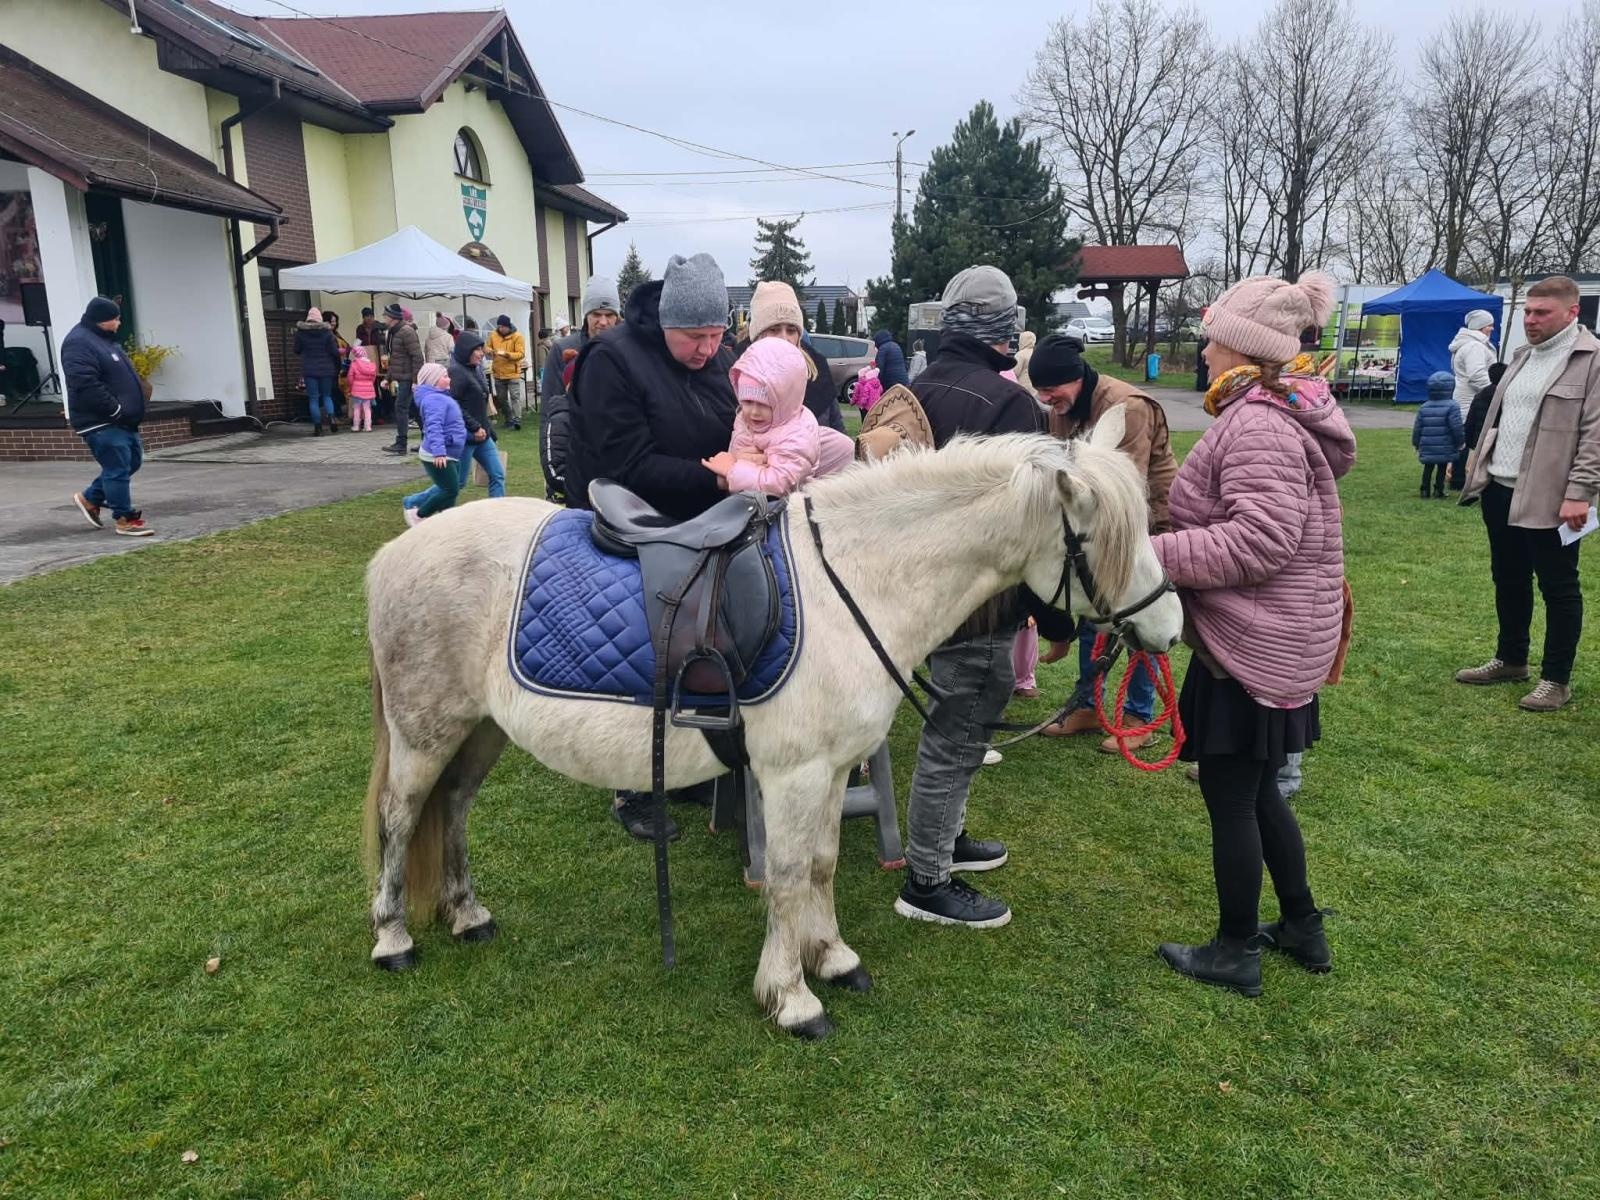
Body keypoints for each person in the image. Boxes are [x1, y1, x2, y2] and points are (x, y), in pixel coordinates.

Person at [1149, 270, 1354, 996]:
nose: (1203, 350)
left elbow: (1258, 543)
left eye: (1212, 339)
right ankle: (1300, 924)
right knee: (1262, 793)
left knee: (1233, 797)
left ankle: (1236, 948)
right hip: (1271, 632)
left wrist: (1150, 557)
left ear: (1242, 350)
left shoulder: (1260, 422)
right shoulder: (1270, 409)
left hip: (1256, 639)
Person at [894, 264, 1056, 931]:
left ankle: (948, 842)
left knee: (956, 731)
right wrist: (1055, 613)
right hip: (981, 602)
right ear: (1003, 331)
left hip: (915, 597)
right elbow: (1036, 526)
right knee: (954, 736)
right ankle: (927, 880)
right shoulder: (1013, 406)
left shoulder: (910, 392)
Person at [566, 253, 740, 841]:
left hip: (705, 525)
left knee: (701, 645)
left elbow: (733, 422)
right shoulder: (611, 359)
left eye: (717, 335)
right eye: (695, 336)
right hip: (631, 529)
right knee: (639, 653)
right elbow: (626, 464)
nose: (707, 350)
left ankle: (683, 765)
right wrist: (716, 476)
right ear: (666, 322)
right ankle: (632, 781)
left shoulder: (716, 358)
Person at [1457, 275, 1600, 713]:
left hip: (1555, 500)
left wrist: (1580, 492)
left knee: (1559, 588)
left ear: (1572, 312)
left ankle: (1555, 679)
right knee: (1509, 578)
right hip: (1500, 490)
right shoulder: (1521, 356)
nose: (1531, 320)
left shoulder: (1592, 362)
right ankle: (1511, 659)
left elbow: (1595, 435)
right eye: (1527, 312)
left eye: (1542, 313)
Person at [1031, 333, 1179, 754]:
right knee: (1091, 612)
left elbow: (1119, 488)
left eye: (1051, 389)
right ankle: (1090, 705)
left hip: (1146, 522)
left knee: (1139, 614)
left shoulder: (1128, 408)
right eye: (1040, 390)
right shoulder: (1063, 407)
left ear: (1076, 377)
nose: (1046, 398)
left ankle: (1139, 716)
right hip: (1096, 521)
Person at [702, 336, 843, 495]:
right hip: (748, 502)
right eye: (747, 401)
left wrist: (733, 470)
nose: (754, 411)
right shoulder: (744, 419)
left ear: (786, 399)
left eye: (764, 404)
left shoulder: (796, 434)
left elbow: (780, 484)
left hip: (784, 511)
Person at [67, 296, 154, 537]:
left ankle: (90, 498)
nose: (118, 322)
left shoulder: (104, 341)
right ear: (100, 320)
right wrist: (115, 409)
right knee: (117, 467)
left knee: (131, 463)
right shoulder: (79, 343)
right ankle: (124, 518)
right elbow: (84, 383)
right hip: (102, 421)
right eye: (114, 319)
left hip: (124, 420)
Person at [402, 330, 506, 514]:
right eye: (479, 350)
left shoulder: (477, 369)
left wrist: (487, 428)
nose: (482, 353)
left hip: (483, 436)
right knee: (457, 483)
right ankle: (413, 501)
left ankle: (496, 515)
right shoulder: (456, 372)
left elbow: (480, 403)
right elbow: (454, 405)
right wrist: (474, 427)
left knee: (497, 474)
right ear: (467, 350)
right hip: (465, 437)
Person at [539, 277, 622, 501]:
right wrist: (554, 469)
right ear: (586, 315)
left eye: (609, 315)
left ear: (618, 316)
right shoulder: (563, 349)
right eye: (596, 314)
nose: (603, 322)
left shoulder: (627, 348)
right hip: (575, 459)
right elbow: (551, 409)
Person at [744, 281, 846, 433]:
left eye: (791, 330)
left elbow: (838, 431)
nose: (784, 338)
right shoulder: (740, 375)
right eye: (774, 329)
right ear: (758, 334)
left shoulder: (818, 371)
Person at [401, 363, 467, 526]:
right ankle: (419, 514)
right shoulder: (434, 399)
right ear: (433, 381)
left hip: (450, 452)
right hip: (438, 454)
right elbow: (433, 426)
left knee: (450, 490)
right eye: (444, 376)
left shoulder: (441, 397)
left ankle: (446, 522)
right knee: (450, 489)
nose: (449, 379)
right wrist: (439, 452)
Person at [1449, 309, 1496, 491]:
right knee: (1469, 440)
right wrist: (1493, 392)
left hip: (1468, 398)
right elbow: (1476, 375)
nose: (1491, 328)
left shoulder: (1470, 344)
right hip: (1472, 399)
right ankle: (1460, 479)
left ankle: (1458, 477)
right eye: (1488, 325)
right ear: (1480, 327)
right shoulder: (1474, 347)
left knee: (1465, 440)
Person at [1413, 370, 1465, 499]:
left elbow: (1417, 427)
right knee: (1442, 467)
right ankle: (1438, 490)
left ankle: (1424, 490)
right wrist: (1460, 441)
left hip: (1427, 444)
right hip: (1445, 444)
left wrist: (1416, 442)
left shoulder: (1424, 406)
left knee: (1428, 467)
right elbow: (1456, 426)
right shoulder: (1453, 406)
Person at [293, 306, 342, 435]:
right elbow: (334, 352)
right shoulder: (327, 333)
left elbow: (296, 350)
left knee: (313, 398)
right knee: (327, 396)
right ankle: (332, 417)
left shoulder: (301, 333)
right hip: (326, 369)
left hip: (310, 370)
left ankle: (318, 426)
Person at [381, 303, 422, 455]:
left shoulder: (406, 332)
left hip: (408, 378)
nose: (383, 317)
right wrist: (388, 378)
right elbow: (395, 359)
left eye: (385, 315)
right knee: (415, 410)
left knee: (401, 407)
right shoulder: (392, 332)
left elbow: (417, 357)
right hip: (403, 376)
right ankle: (428, 442)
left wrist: (416, 380)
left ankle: (401, 443)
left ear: (392, 317)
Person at [487, 314, 528, 430]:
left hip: (512, 372)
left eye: (503, 326)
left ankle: (517, 419)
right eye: (499, 326)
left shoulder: (517, 337)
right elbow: (487, 347)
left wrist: (507, 355)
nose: (500, 329)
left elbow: (520, 354)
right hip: (498, 373)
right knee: (501, 398)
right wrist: (490, 351)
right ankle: (508, 419)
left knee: (515, 396)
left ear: (508, 326)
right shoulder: (493, 335)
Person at [1464, 361, 1507, 454]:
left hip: (1479, 442)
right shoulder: (1507, 396)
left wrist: (1468, 443)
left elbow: (1470, 421)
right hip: (1500, 443)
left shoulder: (1480, 395)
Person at [347, 343, 377, 431]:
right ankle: (368, 426)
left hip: (357, 389)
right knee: (367, 408)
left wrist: (352, 385)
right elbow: (373, 377)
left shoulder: (354, 364)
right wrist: (370, 384)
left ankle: (356, 426)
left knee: (356, 408)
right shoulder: (371, 364)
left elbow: (350, 376)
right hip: (369, 388)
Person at [1013, 329, 1037, 396]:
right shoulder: (1037, 353)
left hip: (1023, 387)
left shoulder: (1020, 354)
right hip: (1035, 387)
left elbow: (1015, 372)